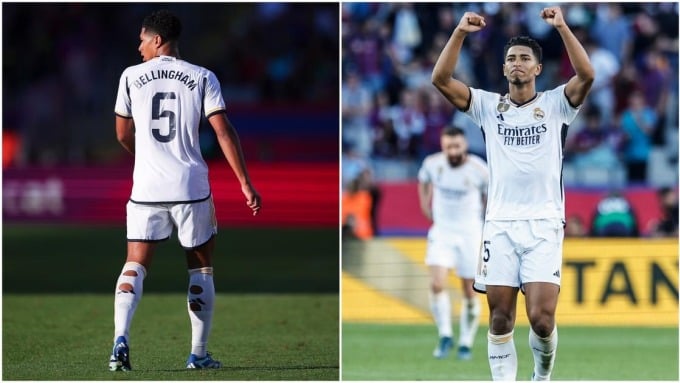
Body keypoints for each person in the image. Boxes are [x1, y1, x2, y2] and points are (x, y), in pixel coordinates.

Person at [432, 6, 593, 381]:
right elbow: (440, 79)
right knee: (500, 316)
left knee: (541, 318)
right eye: (510, 59)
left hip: (543, 224)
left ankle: (541, 374)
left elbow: (587, 74)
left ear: (537, 68)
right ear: (504, 69)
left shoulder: (556, 105)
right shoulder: (489, 106)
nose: (516, 63)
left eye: (524, 59)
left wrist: (563, 27)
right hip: (500, 225)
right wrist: (459, 32)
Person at [110, 10, 261, 371]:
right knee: (200, 269)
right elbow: (223, 131)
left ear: (158, 40)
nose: (139, 45)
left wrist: (146, 156)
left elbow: (120, 133)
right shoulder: (202, 77)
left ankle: (120, 341)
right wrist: (244, 182)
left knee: (134, 264)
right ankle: (198, 354)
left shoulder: (130, 76)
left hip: (146, 185)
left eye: (143, 39)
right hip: (190, 185)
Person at [417, 126, 488, 360]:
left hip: (470, 233)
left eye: (457, 146)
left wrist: (488, 222)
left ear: (465, 145)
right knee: (437, 284)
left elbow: (491, 196)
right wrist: (425, 205)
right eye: (448, 147)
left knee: (469, 291)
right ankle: (445, 335)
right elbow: (423, 181)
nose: (453, 151)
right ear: (442, 145)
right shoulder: (432, 164)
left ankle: (466, 342)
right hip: (443, 232)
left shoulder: (479, 169)